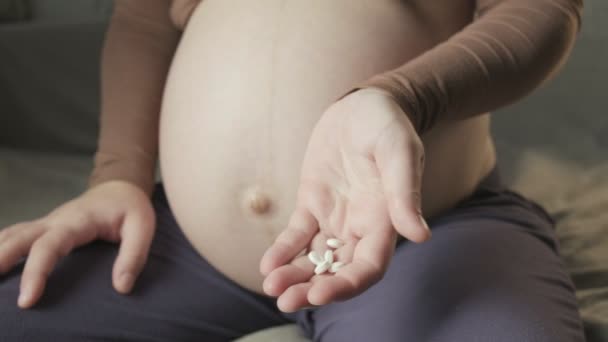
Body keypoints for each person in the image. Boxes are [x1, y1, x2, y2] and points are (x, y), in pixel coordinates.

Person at [0, 0, 586, 341]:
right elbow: (145, 21)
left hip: (427, 233)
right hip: (182, 245)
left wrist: (400, 96)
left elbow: (539, 8)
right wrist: (116, 177)